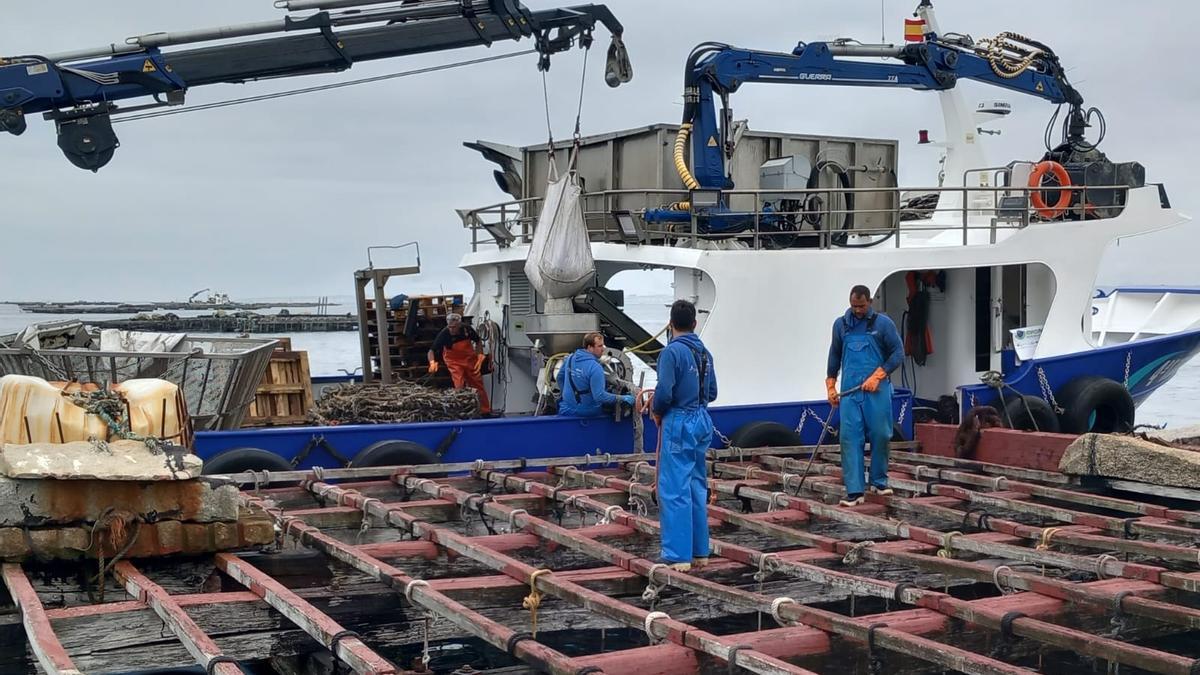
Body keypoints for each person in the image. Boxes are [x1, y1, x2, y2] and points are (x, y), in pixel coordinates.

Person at [650, 299, 718, 571]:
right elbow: (712, 393)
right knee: (696, 485)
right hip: (702, 419)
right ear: (694, 323)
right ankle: (700, 552)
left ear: (670, 323)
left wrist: (657, 410)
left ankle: (677, 555)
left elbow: (665, 392)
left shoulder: (671, 353)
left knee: (674, 488)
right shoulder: (705, 354)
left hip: (679, 420)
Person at [826, 285, 903, 507]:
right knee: (850, 439)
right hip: (850, 393)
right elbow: (834, 355)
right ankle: (854, 491)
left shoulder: (883, 324)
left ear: (869, 301)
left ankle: (879, 482)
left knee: (880, 434)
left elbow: (897, 353)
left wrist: (879, 375)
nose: (857, 310)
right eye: (853, 306)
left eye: (861, 306)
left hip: (876, 391)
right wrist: (831, 384)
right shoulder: (840, 325)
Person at [557, 333, 635, 417]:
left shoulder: (570, 358)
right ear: (590, 347)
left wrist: (569, 396)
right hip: (587, 412)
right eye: (600, 346)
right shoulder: (595, 368)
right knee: (613, 407)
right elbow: (599, 396)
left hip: (566, 409)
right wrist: (622, 398)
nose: (603, 349)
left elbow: (559, 378)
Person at [428, 313, 491, 414]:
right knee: (459, 384)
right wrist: (432, 362)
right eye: (450, 327)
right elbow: (431, 351)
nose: (451, 329)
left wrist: (480, 355)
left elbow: (478, 341)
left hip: (470, 359)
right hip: (454, 361)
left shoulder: (467, 329)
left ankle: (485, 410)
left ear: (459, 325)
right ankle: (461, 411)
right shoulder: (444, 334)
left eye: (454, 327)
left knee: (477, 384)